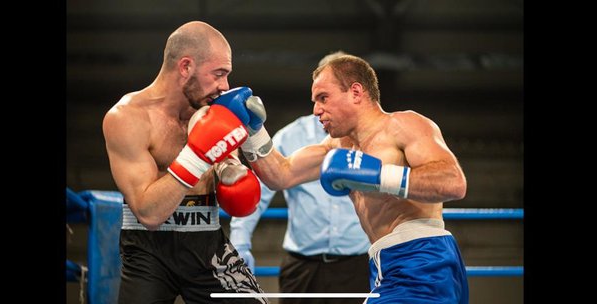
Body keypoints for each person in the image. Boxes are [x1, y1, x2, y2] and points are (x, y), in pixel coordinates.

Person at [216, 54, 469, 303]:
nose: (316, 110)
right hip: (385, 265)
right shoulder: (338, 147)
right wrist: (252, 130)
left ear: (356, 92)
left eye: (323, 98)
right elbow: (280, 174)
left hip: (424, 259)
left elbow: (453, 182)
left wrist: (379, 176)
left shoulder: (403, 125)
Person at [102, 21, 267, 303]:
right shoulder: (127, 118)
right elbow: (148, 213)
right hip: (146, 251)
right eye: (218, 74)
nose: (224, 86)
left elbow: (235, 178)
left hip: (207, 243)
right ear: (185, 67)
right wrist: (197, 155)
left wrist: (232, 172)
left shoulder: (213, 109)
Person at [229, 51, 371, 304]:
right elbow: (264, 187)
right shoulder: (292, 136)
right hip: (303, 265)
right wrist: (239, 242)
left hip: (358, 263)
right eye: (319, 96)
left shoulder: (375, 137)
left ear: (353, 92)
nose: (320, 105)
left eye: (326, 96)